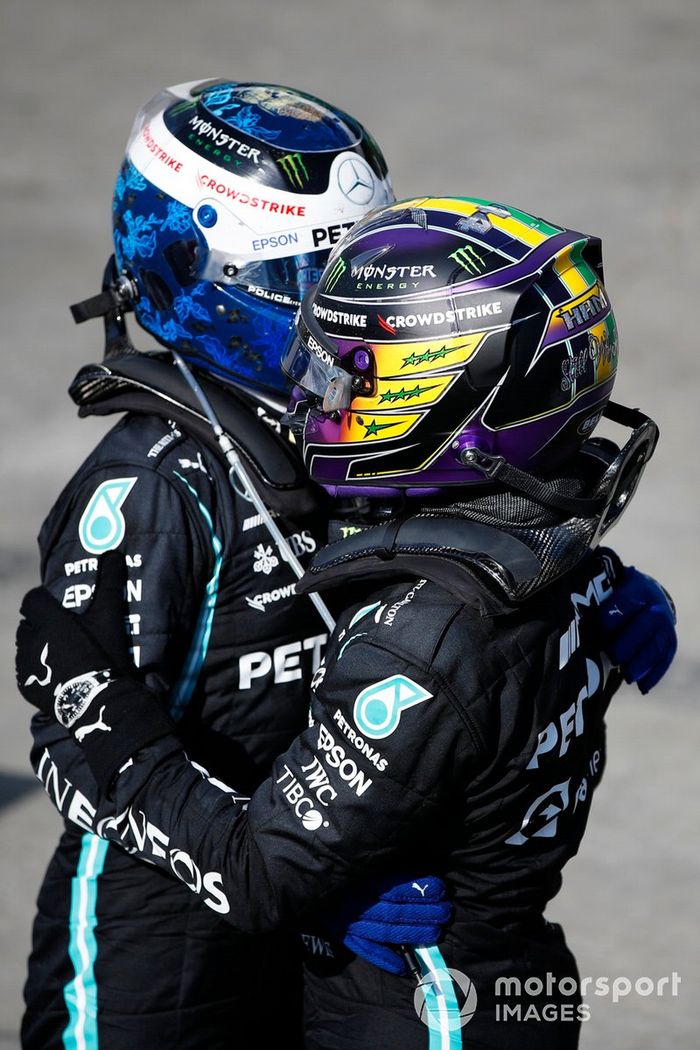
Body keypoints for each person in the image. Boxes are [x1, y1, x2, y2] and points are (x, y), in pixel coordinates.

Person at [17, 197, 677, 1049]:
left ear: (438, 397)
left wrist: (95, 704)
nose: (311, 393)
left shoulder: (428, 635)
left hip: (421, 999)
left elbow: (262, 873)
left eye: (344, 375)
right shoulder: (551, 541)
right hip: (454, 973)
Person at [20, 78, 407, 1050]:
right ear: (206, 273)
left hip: (323, 898)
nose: (341, 314)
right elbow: (77, 745)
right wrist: (265, 863)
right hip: (161, 945)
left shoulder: (356, 438)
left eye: (351, 273)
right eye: (306, 281)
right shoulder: (150, 493)